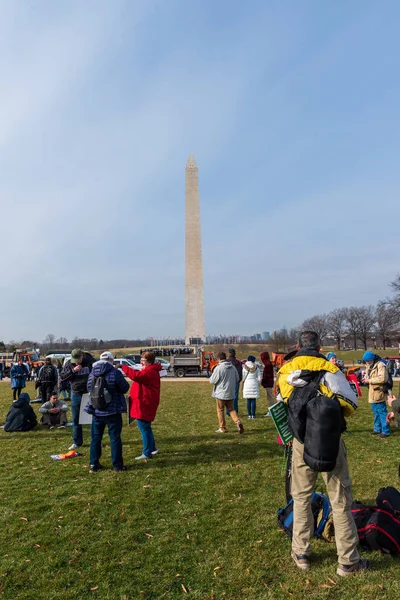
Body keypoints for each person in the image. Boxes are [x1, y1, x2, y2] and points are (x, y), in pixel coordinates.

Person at [277, 331, 368, 576]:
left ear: (297, 347)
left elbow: (283, 400)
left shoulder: (286, 372)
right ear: (319, 347)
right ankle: (348, 560)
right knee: (340, 501)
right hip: (330, 442)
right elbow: (351, 405)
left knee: (301, 497)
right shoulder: (331, 370)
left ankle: (301, 553)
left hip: (301, 442)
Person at [86, 351, 130, 472]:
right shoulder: (115, 372)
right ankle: (117, 465)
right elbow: (125, 388)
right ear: (111, 360)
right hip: (113, 410)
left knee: (95, 438)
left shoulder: (92, 373)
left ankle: (93, 464)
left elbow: (88, 388)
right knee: (115, 438)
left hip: (97, 410)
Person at [121, 351, 163, 460]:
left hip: (144, 404)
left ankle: (147, 452)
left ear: (149, 362)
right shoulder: (150, 370)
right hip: (144, 402)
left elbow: (136, 376)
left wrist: (124, 367)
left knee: (144, 428)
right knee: (146, 427)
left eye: (143, 360)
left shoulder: (149, 372)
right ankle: (152, 448)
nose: (141, 362)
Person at [60, 348, 94, 450]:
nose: (76, 362)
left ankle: (95, 441)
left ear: (82, 356)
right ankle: (77, 441)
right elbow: (63, 377)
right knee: (76, 419)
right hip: (75, 393)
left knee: (92, 418)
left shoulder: (90, 362)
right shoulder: (69, 364)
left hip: (88, 392)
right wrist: (73, 371)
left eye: (78, 360)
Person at [209, 351, 244, 433]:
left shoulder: (219, 368)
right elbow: (237, 379)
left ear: (218, 359)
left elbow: (212, 381)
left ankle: (222, 427)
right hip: (230, 392)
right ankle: (238, 421)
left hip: (221, 393)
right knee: (231, 409)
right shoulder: (232, 367)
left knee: (220, 410)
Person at [362, 350, 390, 438]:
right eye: (366, 361)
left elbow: (383, 379)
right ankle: (377, 429)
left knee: (382, 412)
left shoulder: (381, 365)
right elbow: (368, 375)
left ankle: (385, 430)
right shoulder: (369, 365)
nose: (366, 362)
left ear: (372, 359)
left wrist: (369, 381)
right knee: (376, 412)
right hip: (372, 392)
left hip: (379, 392)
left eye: (368, 361)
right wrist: (365, 379)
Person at [227, 348, 243, 414]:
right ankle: (235, 411)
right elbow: (240, 372)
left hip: (228, 382)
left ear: (229, 354)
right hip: (236, 381)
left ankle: (228, 412)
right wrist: (238, 380)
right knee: (235, 397)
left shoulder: (227, 362)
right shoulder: (238, 362)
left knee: (228, 396)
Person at [260, 351, 274, 416]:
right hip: (269, 383)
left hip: (268, 383)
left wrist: (263, 381)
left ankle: (271, 411)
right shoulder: (268, 364)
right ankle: (270, 410)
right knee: (269, 397)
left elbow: (267, 375)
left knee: (270, 397)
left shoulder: (268, 365)